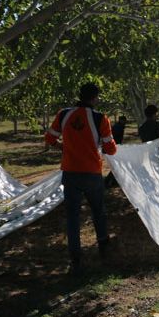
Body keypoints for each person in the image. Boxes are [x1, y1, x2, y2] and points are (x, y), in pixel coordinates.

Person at [45, 83, 117, 276]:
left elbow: (50, 139)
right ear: (95, 98)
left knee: (72, 217)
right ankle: (103, 247)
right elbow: (110, 149)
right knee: (98, 211)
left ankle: (75, 258)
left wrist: (65, 148)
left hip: (70, 173)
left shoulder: (63, 115)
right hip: (92, 173)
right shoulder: (100, 118)